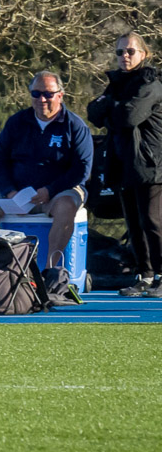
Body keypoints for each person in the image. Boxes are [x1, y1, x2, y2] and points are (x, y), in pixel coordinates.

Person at [0, 72, 93, 267]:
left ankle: (50, 271)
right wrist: (9, 191)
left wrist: (50, 191)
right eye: (36, 94)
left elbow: (82, 170)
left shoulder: (75, 126)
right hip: (18, 194)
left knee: (66, 206)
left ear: (60, 95)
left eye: (48, 94)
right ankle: (15, 265)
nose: (42, 99)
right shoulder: (17, 123)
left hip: (59, 193)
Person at [87, 32, 162, 297]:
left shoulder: (150, 84)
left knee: (152, 222)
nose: (125, 57)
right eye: (120, 52)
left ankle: (161, 276)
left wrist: (110, 108)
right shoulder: (117, 84)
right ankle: (146, 275)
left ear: (144, 54)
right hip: (123, 164)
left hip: (150, 166)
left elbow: (130, 116)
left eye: (130, 51)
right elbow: (93, 111)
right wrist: (111, 107)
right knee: (134, 223)